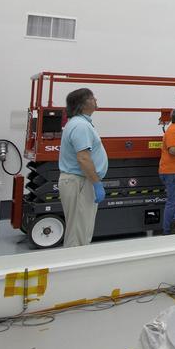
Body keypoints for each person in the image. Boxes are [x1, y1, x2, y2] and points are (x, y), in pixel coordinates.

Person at [58, 88, 108, 246]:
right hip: (80, 182)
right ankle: (74, 267)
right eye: (92, 98)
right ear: (82, 104)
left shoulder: (80, 123)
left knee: (80, 231)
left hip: (80, 181)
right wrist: (96, 183)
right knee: (78, 235)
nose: (96, 100)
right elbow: (83, 158)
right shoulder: (80, 126)